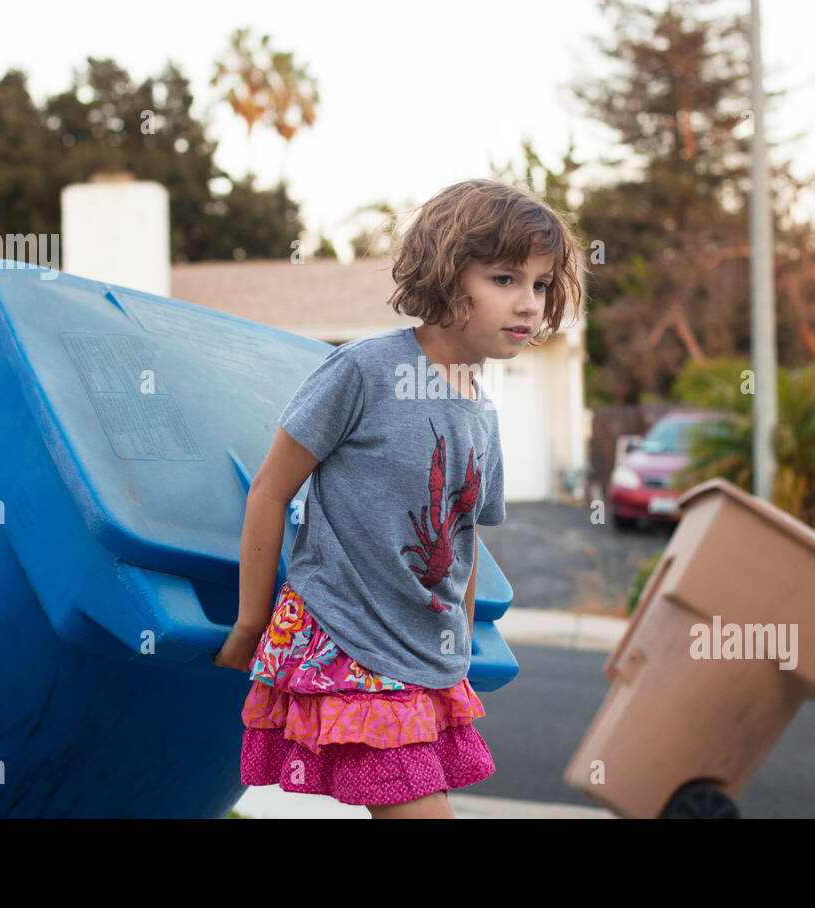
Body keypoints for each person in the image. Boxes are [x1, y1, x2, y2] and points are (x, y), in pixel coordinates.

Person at [213, 179, 584, 818]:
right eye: (504, 279)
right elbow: (272, 490)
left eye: (541, 284)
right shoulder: (364, 371)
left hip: (424, 662)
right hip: (347, 643)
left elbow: (464, 540)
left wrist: (459, 647)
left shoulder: (483, 413)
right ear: (445, 276)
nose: (528, 303)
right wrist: (252, 623)